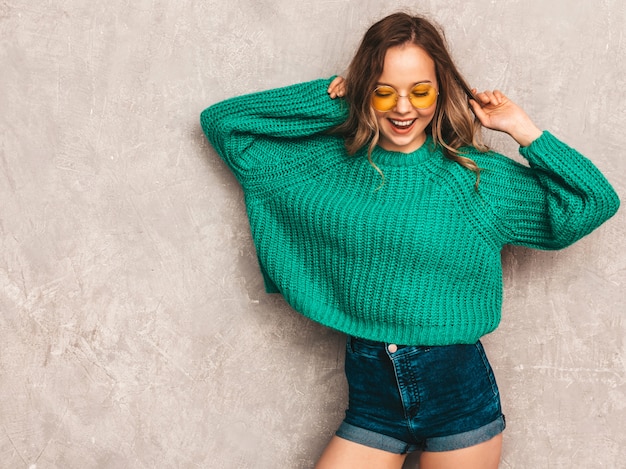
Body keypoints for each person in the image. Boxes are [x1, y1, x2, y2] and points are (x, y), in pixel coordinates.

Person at [200, 12, 619, 469]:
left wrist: (523, 130)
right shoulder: (329, 167)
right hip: (373, 406)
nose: (403, 108)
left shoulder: (474, 178)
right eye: (383, 91)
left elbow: (591, 201)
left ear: (440, 92)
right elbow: (225, 125)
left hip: (459, 402)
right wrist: (332, 100)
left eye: (420, 91)